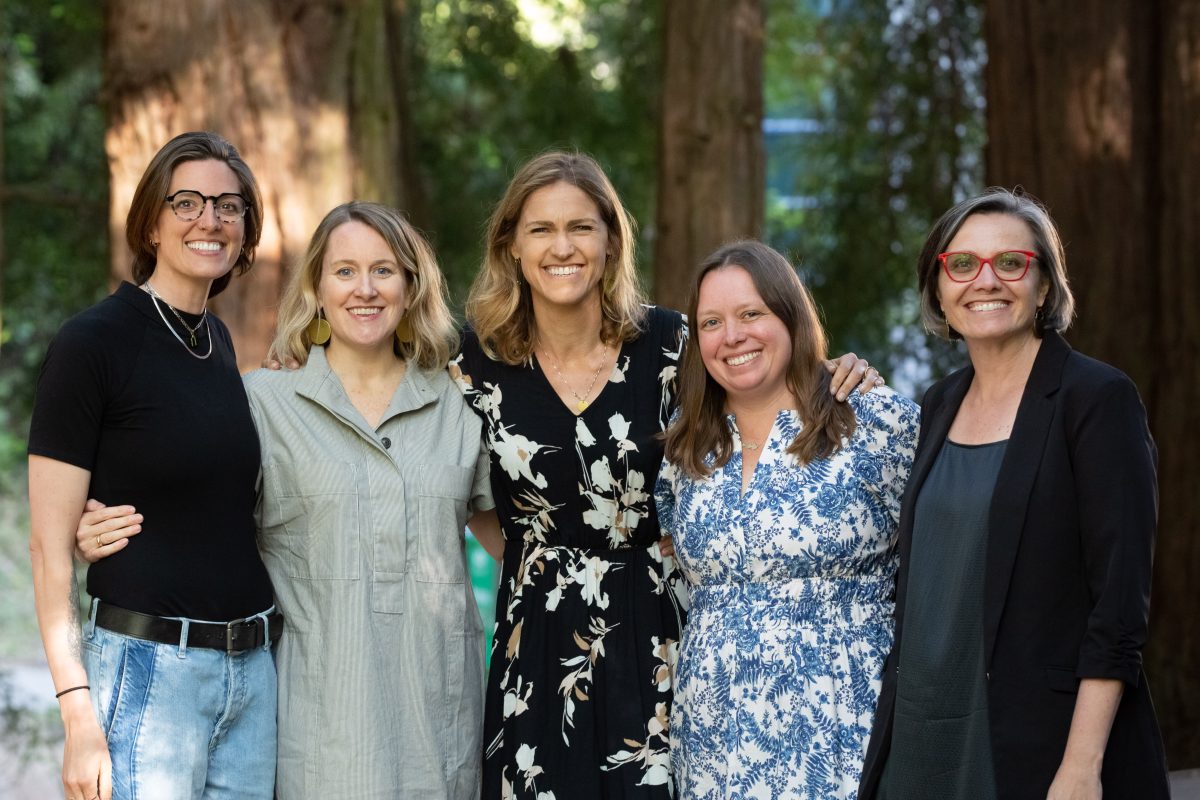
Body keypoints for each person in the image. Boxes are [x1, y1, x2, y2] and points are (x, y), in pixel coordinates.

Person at [453, 152, 880, 799]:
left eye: (581, 227)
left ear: (611, 240)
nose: (562, 247)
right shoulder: (472, 360)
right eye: (541, 229)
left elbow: (766, 396)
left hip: (662, 629)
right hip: (537, 636)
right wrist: (541, 558)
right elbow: (459, 488)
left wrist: (841, 371)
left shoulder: (673, 345)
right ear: (511, 244)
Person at [75, 201, 499, 800]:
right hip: (317, 734)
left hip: (440, 731)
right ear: (318, 289)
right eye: (344, 271)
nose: (365, 289)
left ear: (410, 286)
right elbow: (196, 514)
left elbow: (522, 539)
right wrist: (92, 528)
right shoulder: (262, 403)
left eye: (383, 270)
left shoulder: (461, 405)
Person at [858, 189, 1170, 799]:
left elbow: (1118, 609)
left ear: (1044, 286)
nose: (986, 280)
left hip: (1038, 747)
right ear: (939, 289)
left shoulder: (1096, 400)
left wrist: (1081, 766)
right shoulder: (938, 404)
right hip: (922, 737)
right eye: (962, 264)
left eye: (1010, 262)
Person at [28, 131, 279, 800]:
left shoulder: (217, 343)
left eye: (229, 206)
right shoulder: (92, 343)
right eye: (187, 202)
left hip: (251, 679)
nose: (210, 220)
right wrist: (77, 712)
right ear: (150, 222)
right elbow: (49, 550)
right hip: (149, 677)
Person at [654, 240, 918, 800]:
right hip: (713, 740)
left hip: (843, 727)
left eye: (752, 313)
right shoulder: (687, 444)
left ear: (791, 316)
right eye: (711, 322)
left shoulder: (871, 420)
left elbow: (948, 553)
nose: (732, 336)